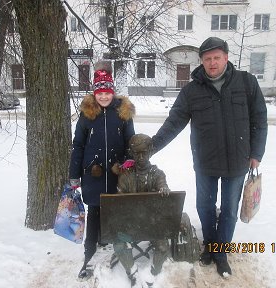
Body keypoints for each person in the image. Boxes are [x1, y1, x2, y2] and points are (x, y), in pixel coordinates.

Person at [150, 37, 268, 277]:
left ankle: (220, 252)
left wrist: (256, 152)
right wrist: (150, 147)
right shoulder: (191, 91)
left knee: (229, 210)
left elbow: (259, 120)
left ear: (226, 57)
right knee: (204, 206)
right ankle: (210, 245)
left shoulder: (246, 83)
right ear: (202, 61)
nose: (212, 63)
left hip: (237, 161)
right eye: (207, 59)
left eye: (216, 57)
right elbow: (174, 123)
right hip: (206, 162)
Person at [69, 60, 136, 279]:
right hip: (93, 175)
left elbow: (131, 142)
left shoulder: (122, 113)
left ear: (113, 92)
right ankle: (89, 255)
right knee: (95, 214)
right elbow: (78, 145)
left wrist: (128, 161)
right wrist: (74, 174)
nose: (104, 97)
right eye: (100, 93)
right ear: (94, 93)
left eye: (107, 92)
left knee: (117, 214)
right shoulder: (87, 115)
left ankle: (120, 253)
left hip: (117, 176)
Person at [113, 133, 170, 288]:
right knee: (118, 244)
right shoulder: (125, 176)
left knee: (164, 245)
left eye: (144, 152)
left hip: (152, 223)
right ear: (131, 153)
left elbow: (162, 184)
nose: (141, 157)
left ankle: (153, 272)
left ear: (150, 151)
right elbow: (119, 200)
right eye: (136, 153)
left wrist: (164, 189)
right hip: (131, 224)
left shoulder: (157, 174)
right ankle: (132, 273)